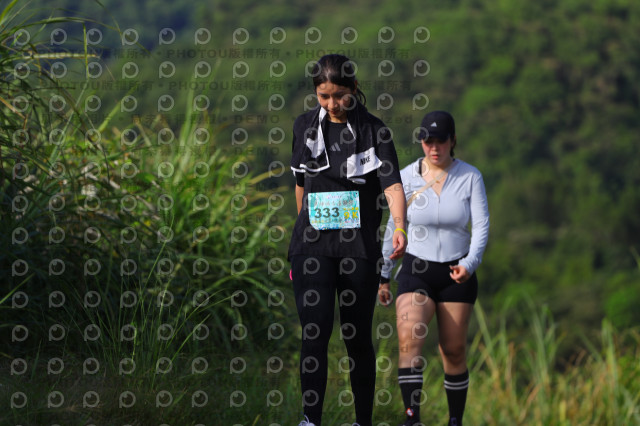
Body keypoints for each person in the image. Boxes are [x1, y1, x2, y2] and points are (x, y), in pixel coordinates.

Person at [288, 54, 408, 426]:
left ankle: (362, 421)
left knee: (356, 337)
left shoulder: (375, 131)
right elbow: (300, 186)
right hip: (312, 247)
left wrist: (400, 226)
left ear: (354, 88)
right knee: (315, 332)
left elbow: (392, 185)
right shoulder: (304, 126)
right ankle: (310, 420)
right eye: (324, 96)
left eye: (340, 95)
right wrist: (303, 233)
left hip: (358, 247)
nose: (332, 104)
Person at [378, 110, 490, 426]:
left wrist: (469, 264)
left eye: (441, 141)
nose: (434, 147)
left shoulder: (470, 177)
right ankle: (412, 418)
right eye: (428, 141)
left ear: (453, 141)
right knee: (408, 339)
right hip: (416, 268)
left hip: (457, 272)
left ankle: (455, 420)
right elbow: (393, 227)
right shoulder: (406, 177)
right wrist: (383, 274)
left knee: (452, 350)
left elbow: (481, 226)